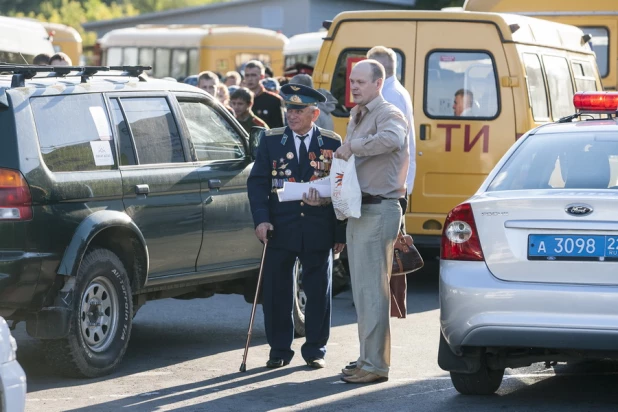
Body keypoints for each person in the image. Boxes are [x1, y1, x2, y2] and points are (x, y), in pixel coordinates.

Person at [247, 83, 346, 370]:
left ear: (314, 114)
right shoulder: (271, 140)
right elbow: (258, 183)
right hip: (281, 226)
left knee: (318, 292)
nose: (292, 115)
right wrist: (261, 219)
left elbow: (340, 188)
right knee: (277, 291)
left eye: (299, 110)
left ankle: (315, 349)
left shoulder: (331, 142)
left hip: (318, 227)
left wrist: (339, 230)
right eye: (289, 109)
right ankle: (279, 349)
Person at [334, 59, 408, 384]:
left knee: (372, 292)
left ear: (379, 83)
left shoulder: (389, 113)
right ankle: (367, 357)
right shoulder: (358, 114)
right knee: (363, 293)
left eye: (361, 81)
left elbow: (394, 139)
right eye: (352, 81)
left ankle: (376, 366)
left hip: (378, 210)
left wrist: (353, 146)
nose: (354, 86)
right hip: (361, 209)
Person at [367, 46, 415, 200]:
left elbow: (389, 141)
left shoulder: (390, 95)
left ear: (378, 71)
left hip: (390, 184)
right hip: (392, 181)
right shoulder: (394, 91)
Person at [243, 60, 285, 129]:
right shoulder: (238, 99)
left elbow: (278, 129)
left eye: (253, 75)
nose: (250, 79)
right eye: (247, 75)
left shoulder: (274, 100)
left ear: (262, 77)